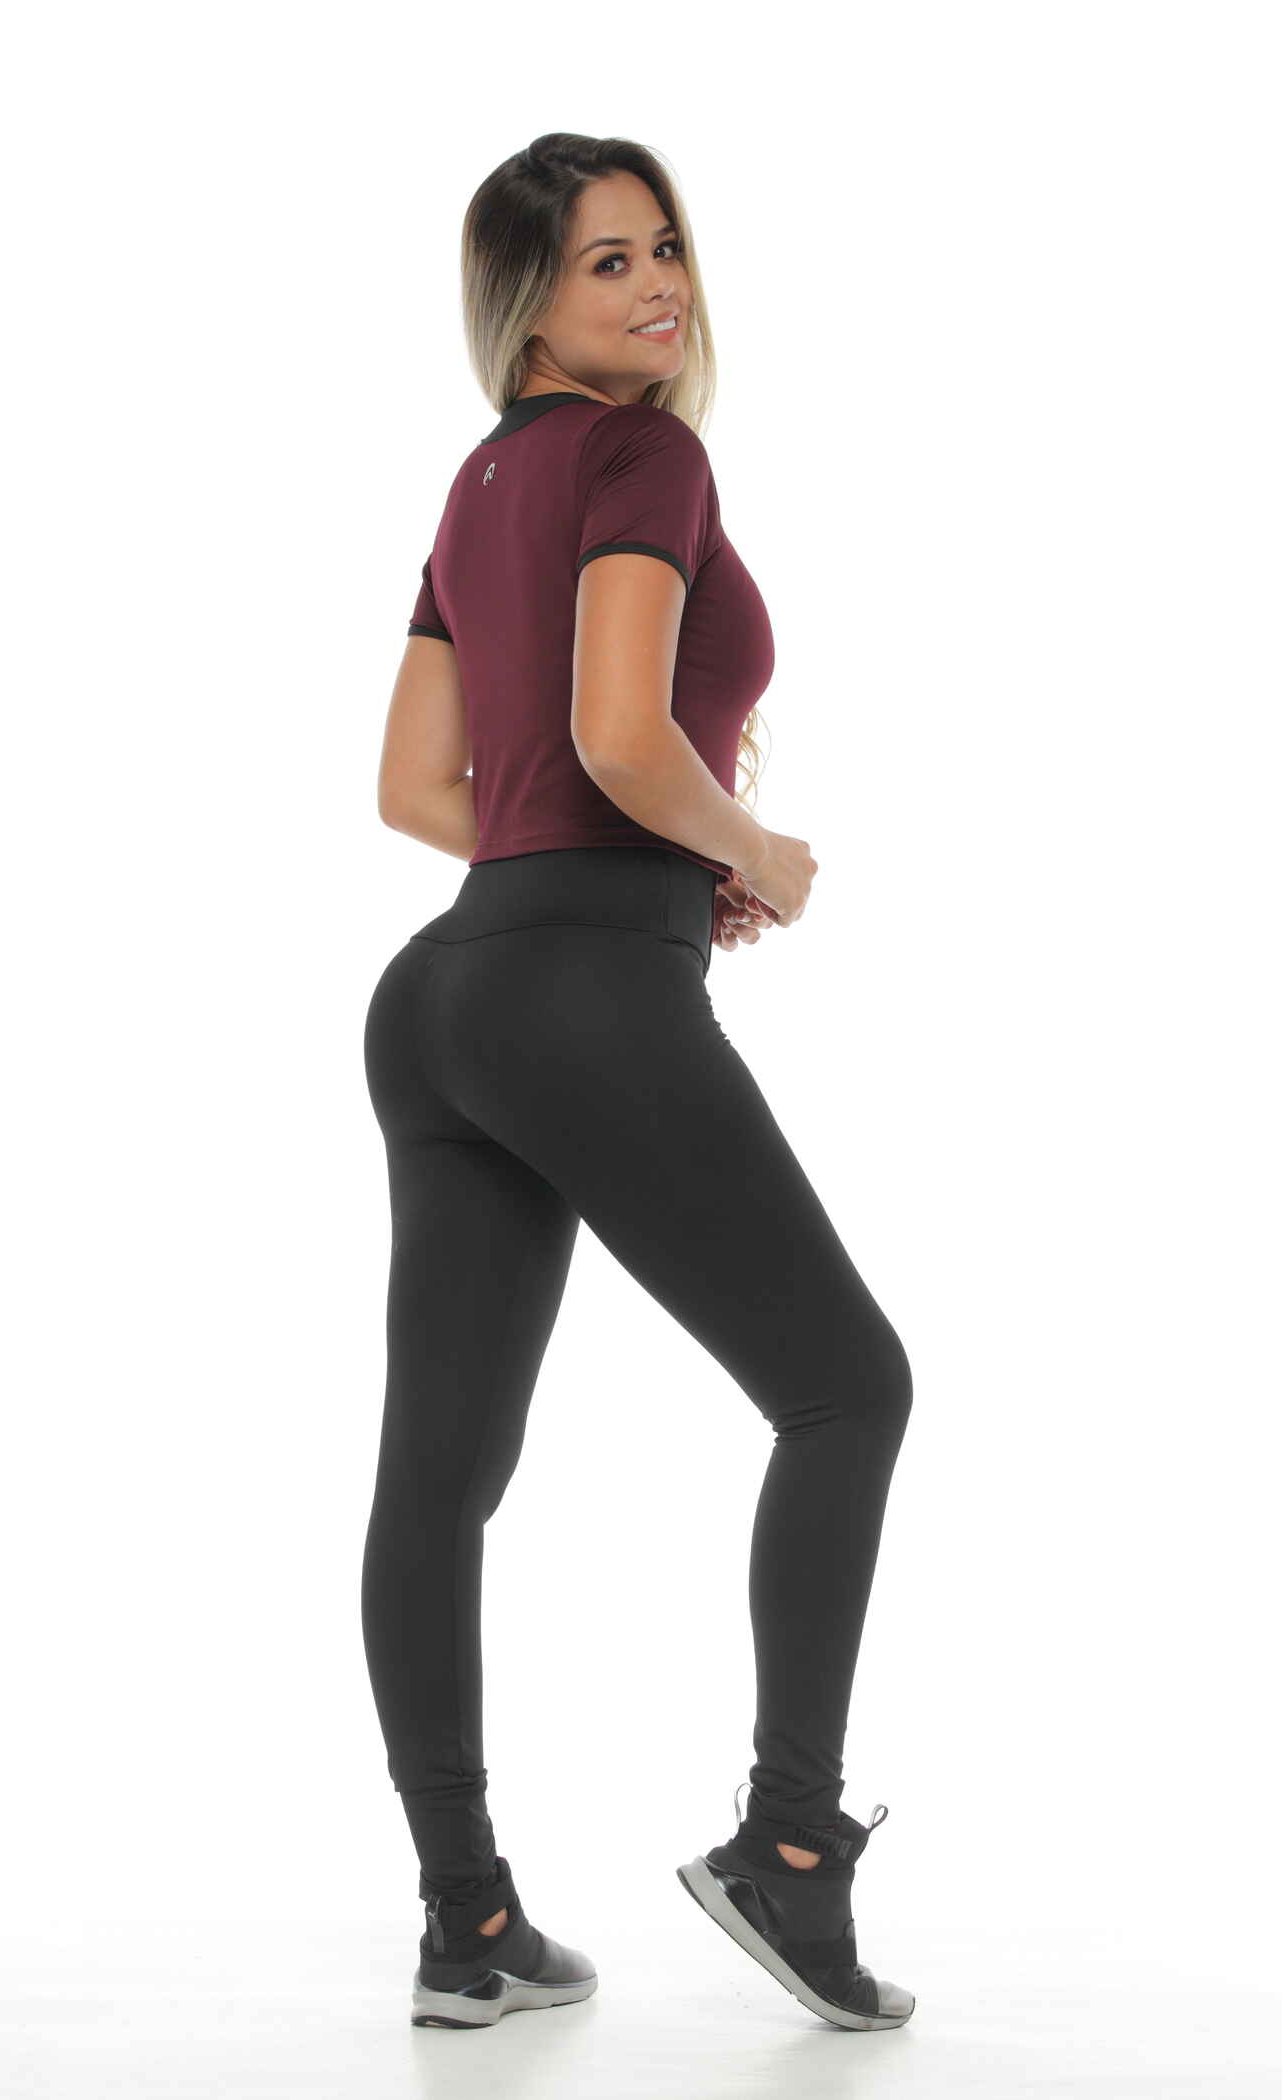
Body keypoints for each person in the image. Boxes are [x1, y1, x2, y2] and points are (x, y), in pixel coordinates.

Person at [361, 132, 916, 2033]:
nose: (659, 285)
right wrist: (752, 851)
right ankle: (791, 1852)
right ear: (527, 298)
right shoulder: (640, 457)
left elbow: (419, 791)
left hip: (445, 996)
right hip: (580, 992)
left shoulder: (476, 486)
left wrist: (643, 858)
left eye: (664, 245)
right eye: (608, 261)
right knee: (847, 1388)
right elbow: (616, 733)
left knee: (440, 1474)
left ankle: (467, 1923)